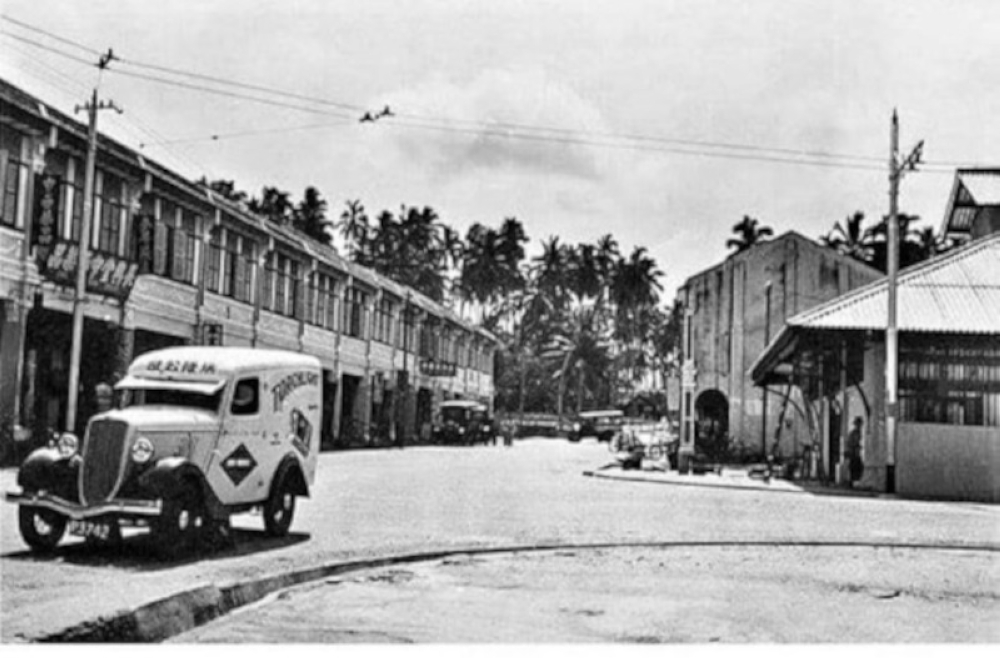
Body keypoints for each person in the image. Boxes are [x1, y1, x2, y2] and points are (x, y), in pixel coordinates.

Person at [847, 417, 864, 484]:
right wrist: (856, 446)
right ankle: (852, 481)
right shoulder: (854, 433)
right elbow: (851, 442)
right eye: (858, 424)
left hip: (856, 452)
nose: (859, 426)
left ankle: (854, 481)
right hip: (853, 452)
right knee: (854, 467)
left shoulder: (858, 432)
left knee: (858, 467)